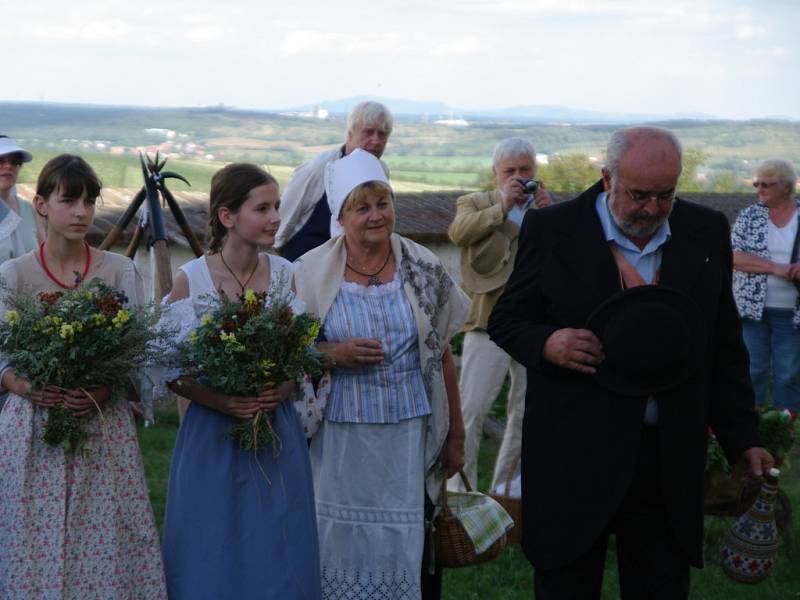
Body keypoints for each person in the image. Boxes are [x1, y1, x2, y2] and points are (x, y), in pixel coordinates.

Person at [488, 126, 773, 599]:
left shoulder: (704, 232)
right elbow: (508, 320)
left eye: (666, 195)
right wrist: (548, 343)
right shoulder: (553, 228)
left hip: (666, 460)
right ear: (607, 179)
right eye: (639, 195)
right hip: (574, 455)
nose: (653, 209)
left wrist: (744, 437)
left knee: (660, 586)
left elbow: (722, 345)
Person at [292, 149, 469, 599]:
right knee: (338, 535)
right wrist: (335, 353)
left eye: (383, 203)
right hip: (341, 433)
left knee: (402, 532)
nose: (376, 216)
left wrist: (456, 435)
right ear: (341, 215)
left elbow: (441, 351)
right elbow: (289, 351)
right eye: (363, 207)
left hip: (406, 431)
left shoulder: (422, 266)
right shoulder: (309, 271)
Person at [0, 154, 167, 599]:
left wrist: (105, 386)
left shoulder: (119, 270)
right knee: (31, 542)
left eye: (89, 201)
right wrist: (25, 386)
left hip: (101, 425)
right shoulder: (13, 275)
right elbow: (1, 360)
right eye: (68, 199)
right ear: (40, 204)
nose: (81, 212)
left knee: (105, 542)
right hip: (34, 430)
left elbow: (137, 354)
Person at [157, 163, 321, 599]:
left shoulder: (286, 274)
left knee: (276, 541)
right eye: (262, 208)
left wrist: (281, 388)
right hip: (212, 433)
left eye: (277, 207)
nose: (274, 218)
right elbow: (170, 370)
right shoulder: (191, 279)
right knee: (211, 541)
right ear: (227, 216)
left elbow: (299, 355)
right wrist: (221, 401)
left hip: (275, 429)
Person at [447, 137, 551, 493]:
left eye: (525, 170)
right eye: (511, 171)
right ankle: (462, 498)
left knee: (524, 415)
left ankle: (506, 496)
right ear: (496, 174)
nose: (519, 177)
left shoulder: (545, 208)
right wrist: (504, 206)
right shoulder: (476, 202)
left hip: (534, 325)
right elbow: (458, 233)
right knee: (471, 410)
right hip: (487, 323)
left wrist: (550, 215)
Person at [276, 101, 393, 261]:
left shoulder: (381, 171)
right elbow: (287, 213)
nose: (376, 140)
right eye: (368, 132)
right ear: (350, 134)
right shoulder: (319, 167)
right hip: (306, 261)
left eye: (382, 134)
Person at [731, 158, 800, 413]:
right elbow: (733, 256)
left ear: (786, 186)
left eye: (766, 185)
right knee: (752, 370)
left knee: (788, 375)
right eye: (757, 184)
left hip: (792, 313)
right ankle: (751, 427)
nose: (759, 189)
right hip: (752, 310)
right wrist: (776, 268)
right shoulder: (750, 216)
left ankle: (785, 430)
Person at [0, 136, 41, 263]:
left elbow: (45, 254)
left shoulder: (29, 209)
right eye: (0, 160)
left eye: (14, 162)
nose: (8, 166)